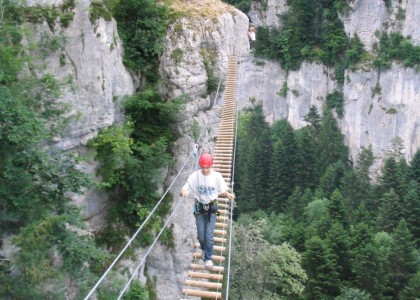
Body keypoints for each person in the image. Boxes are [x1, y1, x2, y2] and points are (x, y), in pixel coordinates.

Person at [179, 153, 235, 269]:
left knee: (209, 234)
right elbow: (184, 188)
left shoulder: (217, 176)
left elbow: (223, 190)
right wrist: (183, 192)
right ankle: (204, 249)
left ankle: (208, 258)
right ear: (200, 166)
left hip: (212, 206)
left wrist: (227, 194)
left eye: (207, 167)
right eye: (203, 167)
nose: (205, 170)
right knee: (201, 235)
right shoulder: (195, 176)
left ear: (211, 166)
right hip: (199, 207)